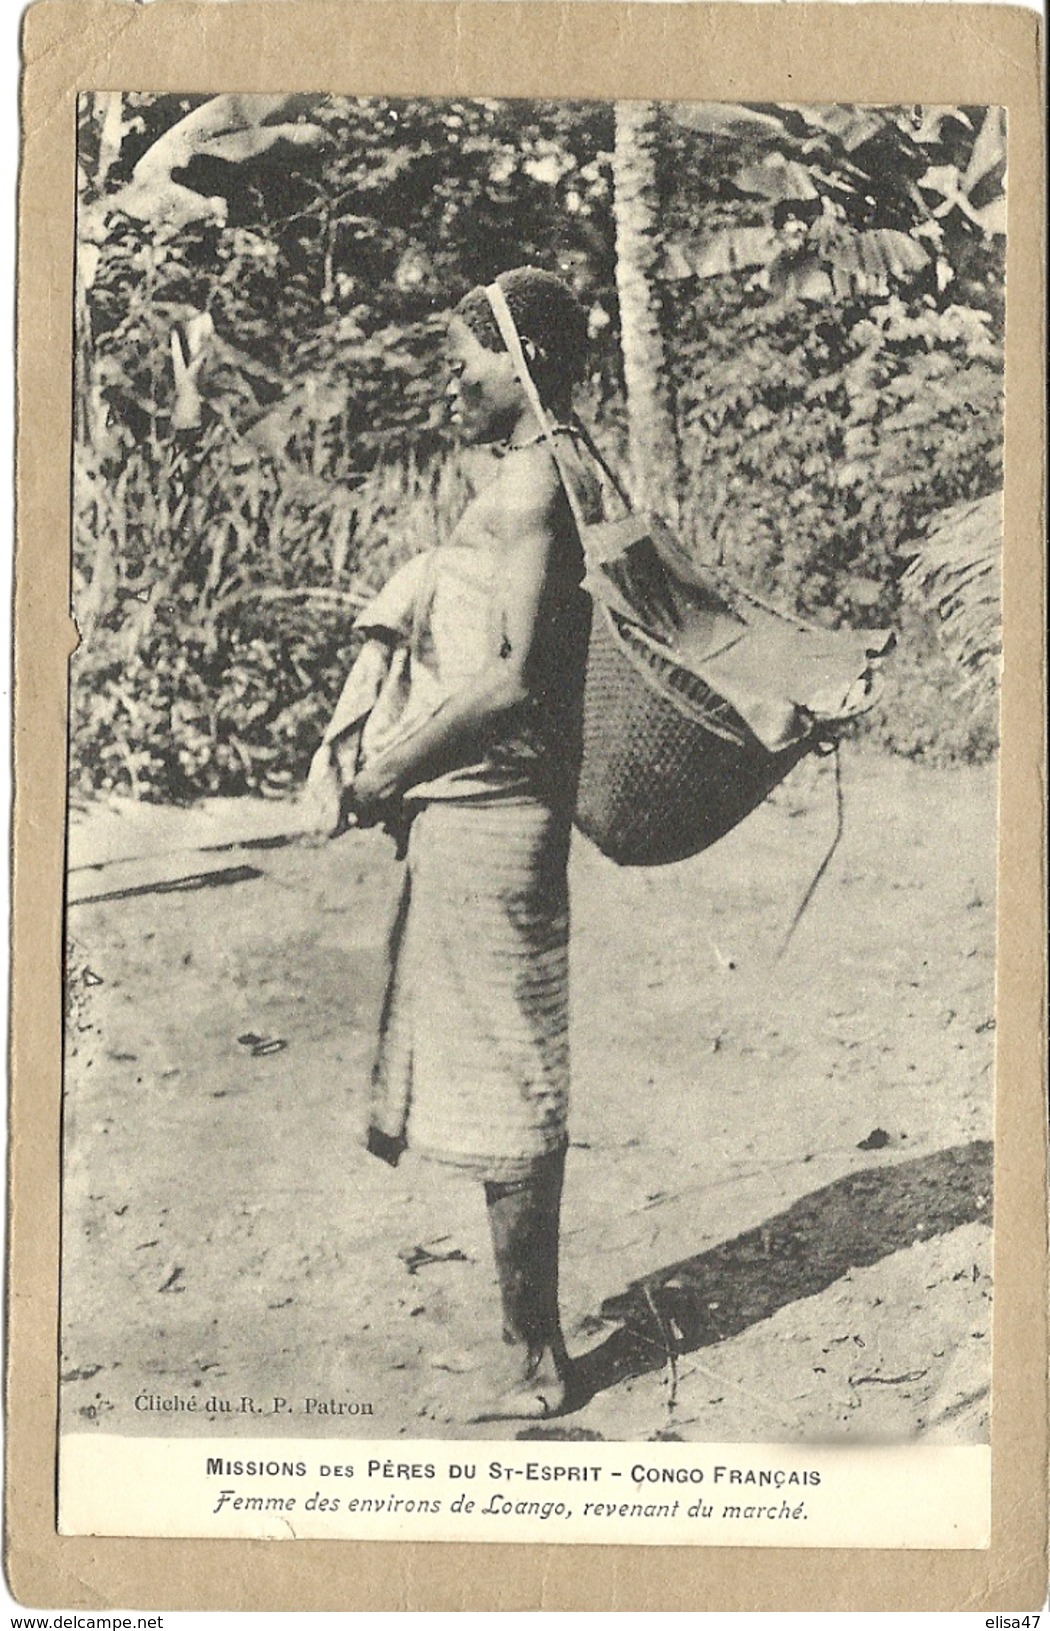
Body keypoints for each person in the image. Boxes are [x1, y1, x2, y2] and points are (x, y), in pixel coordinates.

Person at [309, 266, 603, 1421]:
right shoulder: (551, 466)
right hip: (484, 806)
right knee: (503, 1067)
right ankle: (528, 1339)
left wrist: (383, 768)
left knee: (508, 1077)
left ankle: (537, 1362)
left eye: (463, 358)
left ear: (520, 359)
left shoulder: (534, 484)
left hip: (494, 813)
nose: (448, 379)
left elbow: (512, 674)